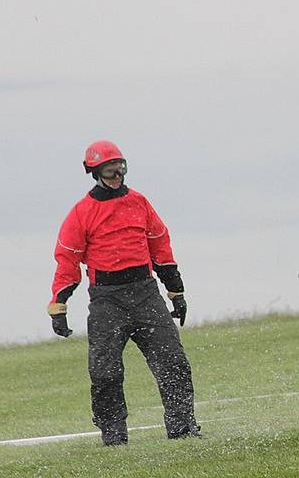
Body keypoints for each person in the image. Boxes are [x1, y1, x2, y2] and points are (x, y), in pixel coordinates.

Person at [48, 140, 199, 446]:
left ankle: (183, 430)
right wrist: (59, 306)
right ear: (94, 172)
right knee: (105, 373)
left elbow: (161, 247)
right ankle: (114, 438)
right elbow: (67, 260)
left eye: (121, 168)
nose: (117, 174)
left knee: (173, 362)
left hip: (146, 294)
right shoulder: (81, 213)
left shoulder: (140, 202)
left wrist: (176, 292)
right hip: (106, 300)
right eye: (109, 169)